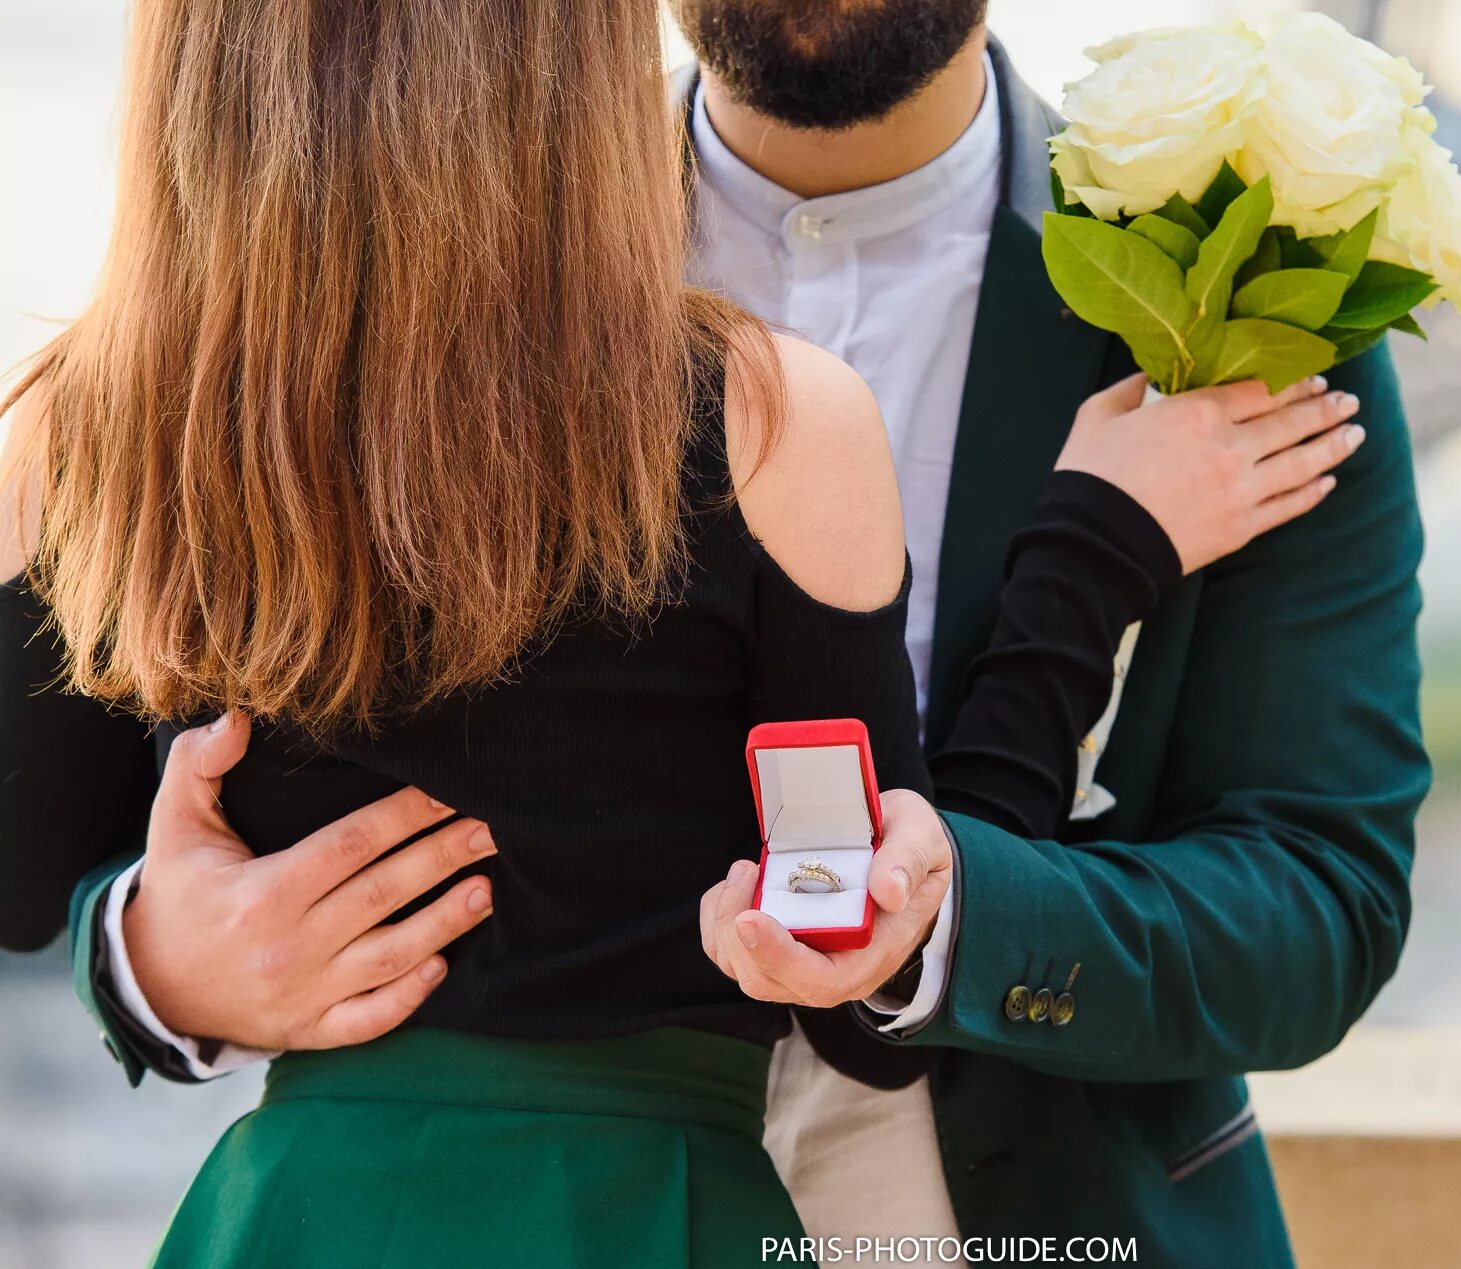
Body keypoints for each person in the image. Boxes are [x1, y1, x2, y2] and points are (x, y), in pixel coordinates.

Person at [0, 1, 1386, 1266]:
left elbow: (1322, 889)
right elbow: (71, 834)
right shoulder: (395, 278)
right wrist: (158, 961)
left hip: (1022, 1206)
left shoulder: (1243, 289)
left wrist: (950, 913)